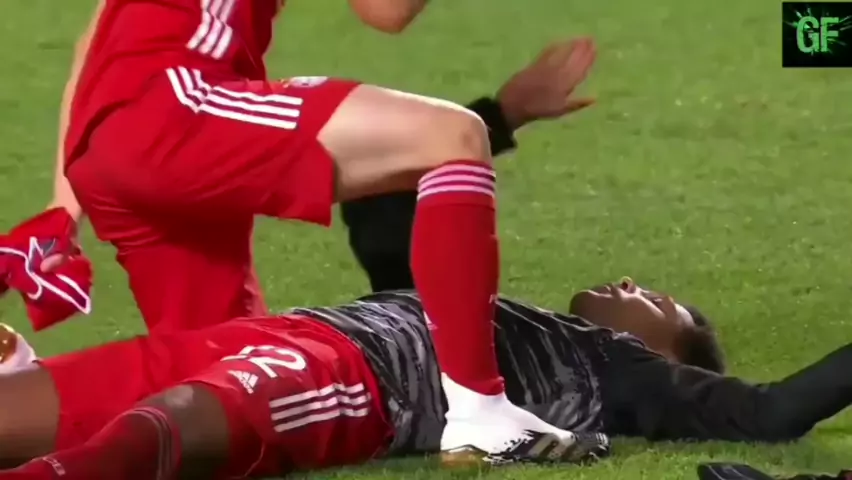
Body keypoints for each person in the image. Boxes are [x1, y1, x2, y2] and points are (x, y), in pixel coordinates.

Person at [33, 0, 598, 462]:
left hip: (103, 144)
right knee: (454, 136)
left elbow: (97, 38)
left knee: (229, 381)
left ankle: (18, 412)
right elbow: (387, 10)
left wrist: (64, 208)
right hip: (176, 107)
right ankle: (479, 408)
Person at [0, 279, 851, 479]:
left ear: (666, 352)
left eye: (661, 302)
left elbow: (773, 413)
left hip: (362, 377)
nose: (635, 284)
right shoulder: (512, 309)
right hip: (289, 331)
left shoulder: (623, 371)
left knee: (187, 416)